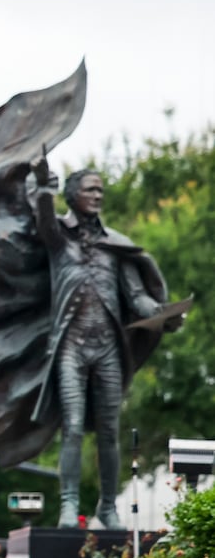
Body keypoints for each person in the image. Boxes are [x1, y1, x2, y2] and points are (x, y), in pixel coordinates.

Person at [31, 161, 184, 528]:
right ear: (73, 195)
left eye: (101, 190)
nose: (98, 196)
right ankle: (69, 505)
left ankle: (107, 507)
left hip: (107, 349)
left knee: (109, 431)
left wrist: (163, 313)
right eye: (90, 190)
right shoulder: (58, 239)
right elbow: (44, 217)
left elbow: (137, 298)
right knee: (71, 425)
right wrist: (42, 187)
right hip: (71, 346)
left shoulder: (115, 247)